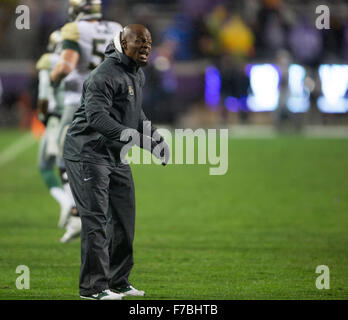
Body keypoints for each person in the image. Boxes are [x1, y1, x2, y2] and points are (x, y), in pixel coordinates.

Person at [63, 24, 170, 300]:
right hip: (87, 153)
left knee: (123, 219)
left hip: (113, 154)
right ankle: (92, 288)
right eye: (139, 41)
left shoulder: (136, 73)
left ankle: (118, 281)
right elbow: (97, 118)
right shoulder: (104, 75)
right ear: (123, 42)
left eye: (148, 41)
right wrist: (132, 136)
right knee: (96, 221)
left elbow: (136, 115)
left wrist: (154, 142)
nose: (146, 46)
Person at [50, 0, 123, 243]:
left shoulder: (74, 29)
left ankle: (77, 212)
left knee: (65, 154)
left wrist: (53, 76)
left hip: (80, 101)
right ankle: (106, 217)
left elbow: (67, 64)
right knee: (107, 159)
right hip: (111, 102)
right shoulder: (115, 27)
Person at [36, 30, 75, 228]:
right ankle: (74, 206)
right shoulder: (75, 59)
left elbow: (44, 92)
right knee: (69, 164)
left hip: (55, 119)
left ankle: (67, 202)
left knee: (46, 166)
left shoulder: (49, 60)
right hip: (73, 117)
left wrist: (42, 116)